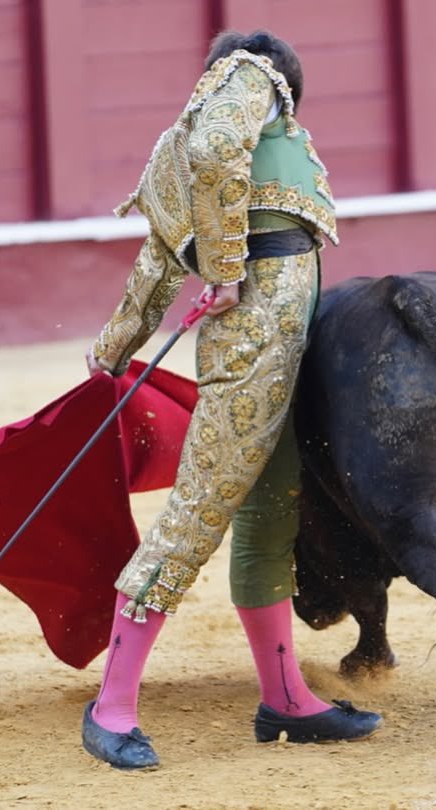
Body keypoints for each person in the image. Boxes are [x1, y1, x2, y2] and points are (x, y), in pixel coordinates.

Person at [82, 30, 381, 770]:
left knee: (268, 516)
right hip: (255, 342)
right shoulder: (251, 71)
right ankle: (111, 707)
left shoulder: (171, 157)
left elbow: (154, 270)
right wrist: (221, 270)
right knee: (198, 514)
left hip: (274, 343)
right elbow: (221, 149)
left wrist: (109, 352)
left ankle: (285, 700)